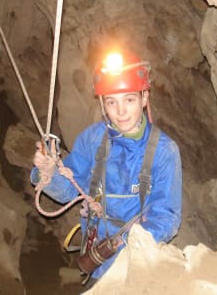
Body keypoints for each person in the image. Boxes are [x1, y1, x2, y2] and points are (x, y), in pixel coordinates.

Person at [30, 50, 182, 285]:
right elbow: (70, 189)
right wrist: (48, 173)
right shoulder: (93, 139)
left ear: (144, 98)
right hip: (97, 256)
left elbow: (166, 216)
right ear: (102, 104)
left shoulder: (164, 151)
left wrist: (129, 245)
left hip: (135, 263)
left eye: (129, 100)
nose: (121, 111)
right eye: (112, 102)